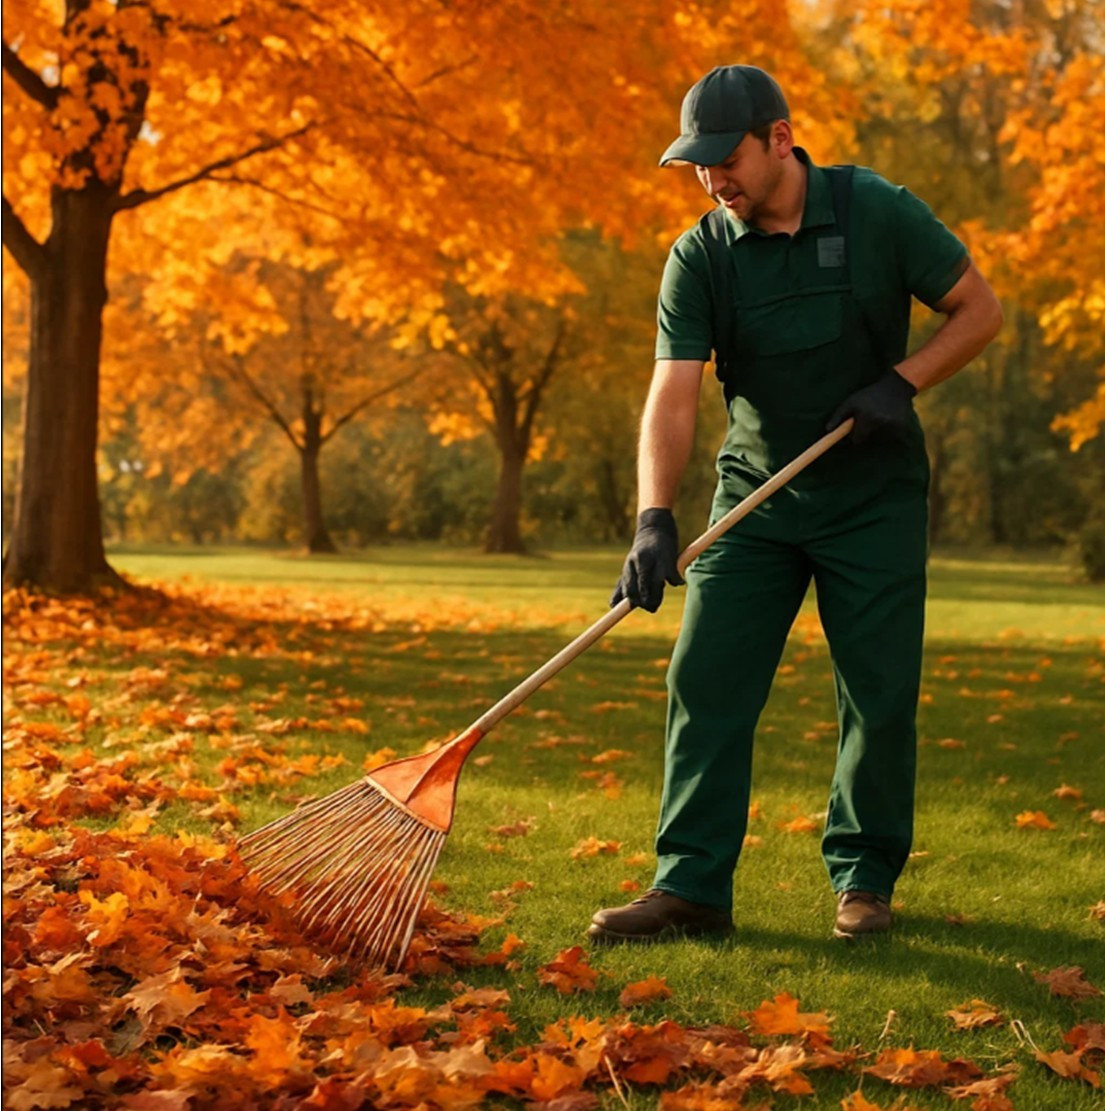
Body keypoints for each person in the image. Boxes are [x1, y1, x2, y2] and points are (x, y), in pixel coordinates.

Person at [588, 65, 1003, 944]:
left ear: (779, 138)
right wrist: (653, 516)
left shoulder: (876, 211)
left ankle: (863, 879)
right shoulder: (700, 254)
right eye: (697, 166)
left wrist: (901, 381)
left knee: (878, 694)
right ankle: (690, 886)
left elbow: (977, 310)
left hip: (873, 496)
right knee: (704, 680)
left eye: (724, 158)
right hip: (755, 500)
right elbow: (673, 390)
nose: (712, 180)